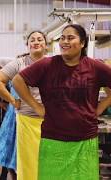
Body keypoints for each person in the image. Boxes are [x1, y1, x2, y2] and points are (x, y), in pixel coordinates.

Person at [12, 24, 111, 180]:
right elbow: (17, 81)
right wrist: (36, 107)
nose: (65, 41)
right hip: (53, 139)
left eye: (70, 38)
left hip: (85, 140)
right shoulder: (47, 64)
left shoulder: (94, 66)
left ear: (83, 43)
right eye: (62, 38)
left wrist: (100, 108)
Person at [0, 31, 47, 180]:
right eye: (32, 40)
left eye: (39, 39)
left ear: (45, 45)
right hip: (26, 119)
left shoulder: (53, 62)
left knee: (47, 161)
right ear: (28, 45)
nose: (36, 42)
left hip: (49, 120)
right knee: (26, 162)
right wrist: (12, 100)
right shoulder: (19, 63)